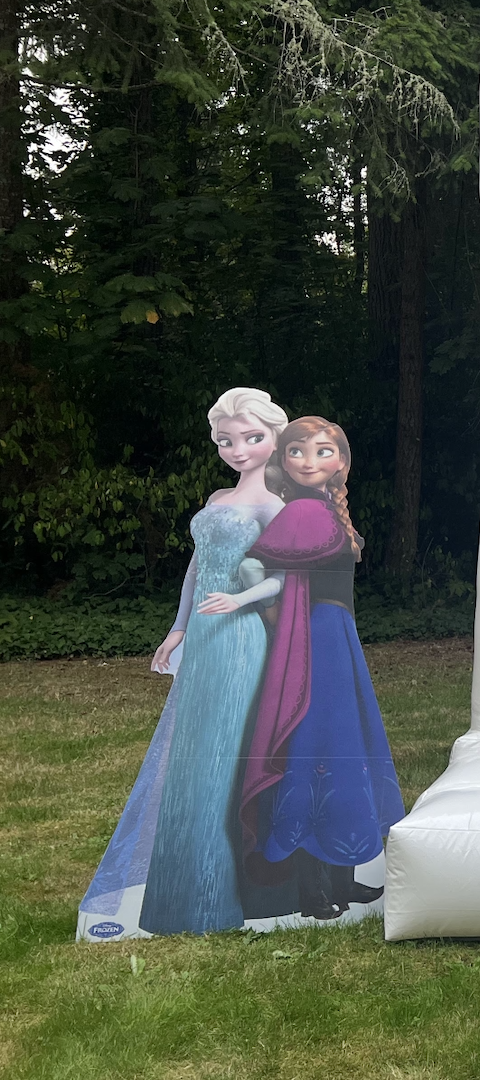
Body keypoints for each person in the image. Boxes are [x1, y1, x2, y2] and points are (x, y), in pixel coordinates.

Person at [79, 388, 289, 940]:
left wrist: (240, 602)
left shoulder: (276, 506)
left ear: (273, 437)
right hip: (204, 635)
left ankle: (213, 897)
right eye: (225, 440)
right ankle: (176, 899)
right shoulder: (220, 497)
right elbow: (196, 571)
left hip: (241, 637)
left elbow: (286, 578)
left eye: (251, 438)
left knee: (219, 756)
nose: (237, 449)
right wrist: (177, 629)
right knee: (189, 757)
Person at [239, 416, 405, 921]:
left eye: (324, 451)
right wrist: (274, 617)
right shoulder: (302, 513)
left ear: (342, 462)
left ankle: (342, 877)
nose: (310, 460)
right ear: (283, 463)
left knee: (340, 747)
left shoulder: (324, 509)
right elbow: (256, 565)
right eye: (297, 451)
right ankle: (310, 889)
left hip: (337, 637)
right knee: (317, 748)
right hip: (316, 640)